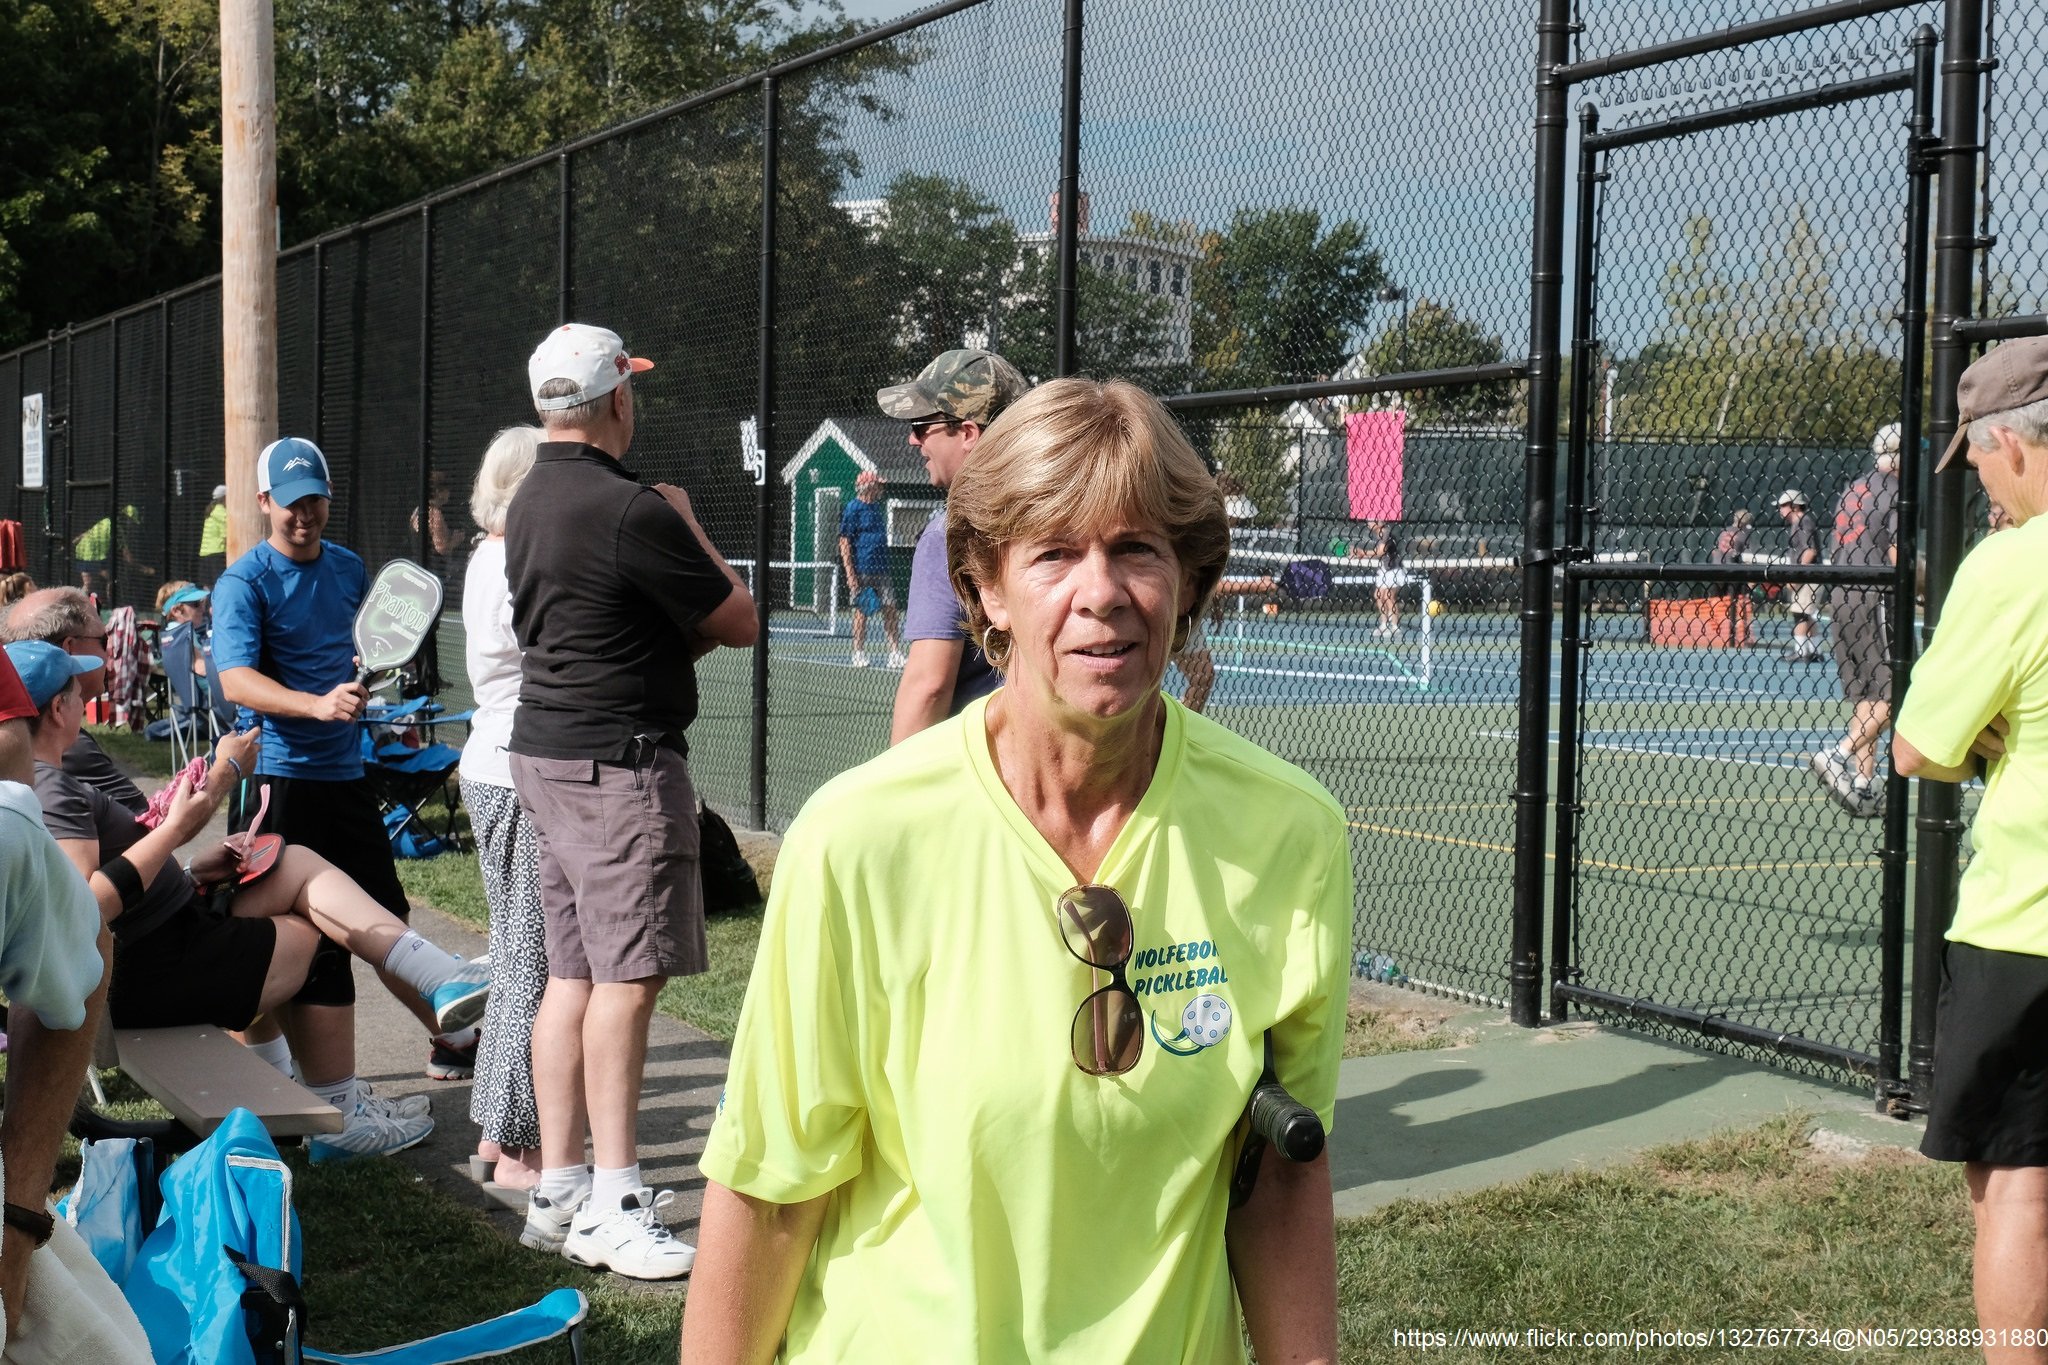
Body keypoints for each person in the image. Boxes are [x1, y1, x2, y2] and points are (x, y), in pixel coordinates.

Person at [683, 378, 1349, 1363]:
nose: (1101, 592)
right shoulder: (861, 839)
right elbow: (770, 1192)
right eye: (1052, 554)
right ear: (984, 587)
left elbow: (1278, 1175)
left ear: (1187, 576)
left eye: (1135, 549)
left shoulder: (1288, 832)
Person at [8, 640, 492, 1163]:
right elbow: (83, 907)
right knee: (318, 938)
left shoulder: (43, 781)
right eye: (76, 692)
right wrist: (175, 833)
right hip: (152, 971)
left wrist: (193, 871)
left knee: (293, 864)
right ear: (59, 709)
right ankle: (341, 1119)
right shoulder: (51, 787)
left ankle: (433, 983)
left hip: (157, 946)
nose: (84, 700)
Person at [506, 323, 757, 1279]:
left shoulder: (527, 496)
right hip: (619, 764)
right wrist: (685, 515)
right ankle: (615, 1194)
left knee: (571, 974)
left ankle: (560, 1184)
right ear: (618, 397)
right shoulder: (633, 507)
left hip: (549, 754)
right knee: (626, 980)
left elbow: (612, 629)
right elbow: (737, 617)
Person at [211, 437, 471, 1077]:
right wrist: (314, 705)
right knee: (277, 939)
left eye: (316, 502)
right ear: (265, 501)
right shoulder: (244, 583)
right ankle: (279, 1081)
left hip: (344, 777)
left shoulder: (351, 569)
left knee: (386, 921)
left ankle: (455, 1042)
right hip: (275, 782)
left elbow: (356, 656)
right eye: (292, 503)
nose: (304, 516)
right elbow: (237, 681)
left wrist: (362, 691)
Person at [1891, 336, 2048, 1362]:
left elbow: (1915, 747)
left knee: (2011, 1183)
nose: (1983, 485)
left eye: (1980, 463)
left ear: (2010, 442)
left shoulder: (2007, 566)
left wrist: (1982, 737)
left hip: (2023, 924)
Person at [0, 645, 116, 1348]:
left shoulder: (23, 816)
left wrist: (18, 1220)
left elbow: (85, 933)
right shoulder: (44, 803)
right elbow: (99, 898)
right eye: (75, 690)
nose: (87, 699)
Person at [457, 425, 546, 1192]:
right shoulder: (515, 557)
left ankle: (493, 1130)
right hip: (518, 768)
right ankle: (519, 1144)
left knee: (517, 953)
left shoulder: (485, 555)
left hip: (489, 761)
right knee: (531, 962)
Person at [880, 348, 1028, 743]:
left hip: (979, 772)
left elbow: (929, 686)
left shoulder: (949, 536)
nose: (913, 439)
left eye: (921, 424)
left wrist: (894, 790)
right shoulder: (1064, 516)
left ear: (967, 434)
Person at [1810, 425, 1901, 819]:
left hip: (1842, 594)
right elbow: (1898, 553)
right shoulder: (1896, 492)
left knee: (1868, 695)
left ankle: (1863, 785)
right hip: (1874, 594)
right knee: (1898, 692)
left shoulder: (1852, 488)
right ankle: (1838, 753)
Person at [1, 588, 148, 815]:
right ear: (69, 648)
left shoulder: (14, 728)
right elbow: (148, 821)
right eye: (104, 640)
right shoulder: (66, 741)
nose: (108, 654)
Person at [836, 471, 903, 669]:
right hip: (862, 569)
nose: (881, 489)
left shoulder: (876, 507)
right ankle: (858, 652)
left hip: (882, 568)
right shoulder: (853, 508)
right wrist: (850, 574)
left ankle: (895, 653)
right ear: (868, 487)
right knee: (862, 612)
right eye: (877, 485)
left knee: (890, 608)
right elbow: (844, 541)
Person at [1774, 490, 1823, 663]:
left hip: (1808, 577)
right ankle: (1815, 650)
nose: (1780, 509)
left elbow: (1810, 551)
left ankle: (1801, 651)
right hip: (1809, 576)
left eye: (1783, 506)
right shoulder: (1799, 523)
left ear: (1794, 506)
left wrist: (1796, 577)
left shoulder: (1803, 522)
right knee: (1807, 614)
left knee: (1800, 613)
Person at [1366, 518, 1407, 637]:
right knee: (1378, 595)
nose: (1368, 523)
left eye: (1371, 521)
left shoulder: (1387, 533)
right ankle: (1384, 625)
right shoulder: (1377, 535)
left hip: (1394, 569)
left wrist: (1362, 553)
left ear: (1379, 522)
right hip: (1384, 569)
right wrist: (1361, 554)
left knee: (1389, 597)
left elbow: (1380, 552)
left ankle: (1394, 627)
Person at [198, 484, 230, 581]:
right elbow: (227, 533)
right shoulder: (223, 512)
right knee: (220, 582)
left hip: (204, 552)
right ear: (225, 497)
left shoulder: (211, 510)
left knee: (207, 585)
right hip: (217, 551)